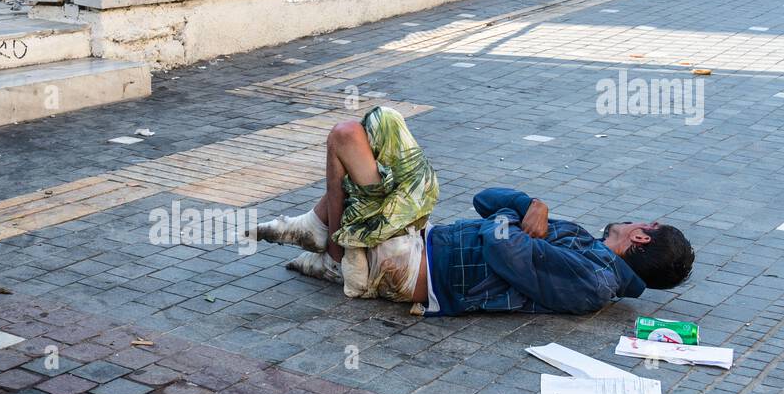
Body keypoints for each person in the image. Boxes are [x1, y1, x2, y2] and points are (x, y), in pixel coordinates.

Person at [255, 107, 694, 316]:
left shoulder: (595, 281)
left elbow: (504, 249)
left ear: (641, 237)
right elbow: (485, 198)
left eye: (644, 222)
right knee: (371, 130)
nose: (635, 218)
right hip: (419, 243)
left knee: (353, 135)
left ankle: (329, 243)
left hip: (407, 269)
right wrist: (531, 205)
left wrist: (514, 224)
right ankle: (322, 238)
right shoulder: (584, 240)